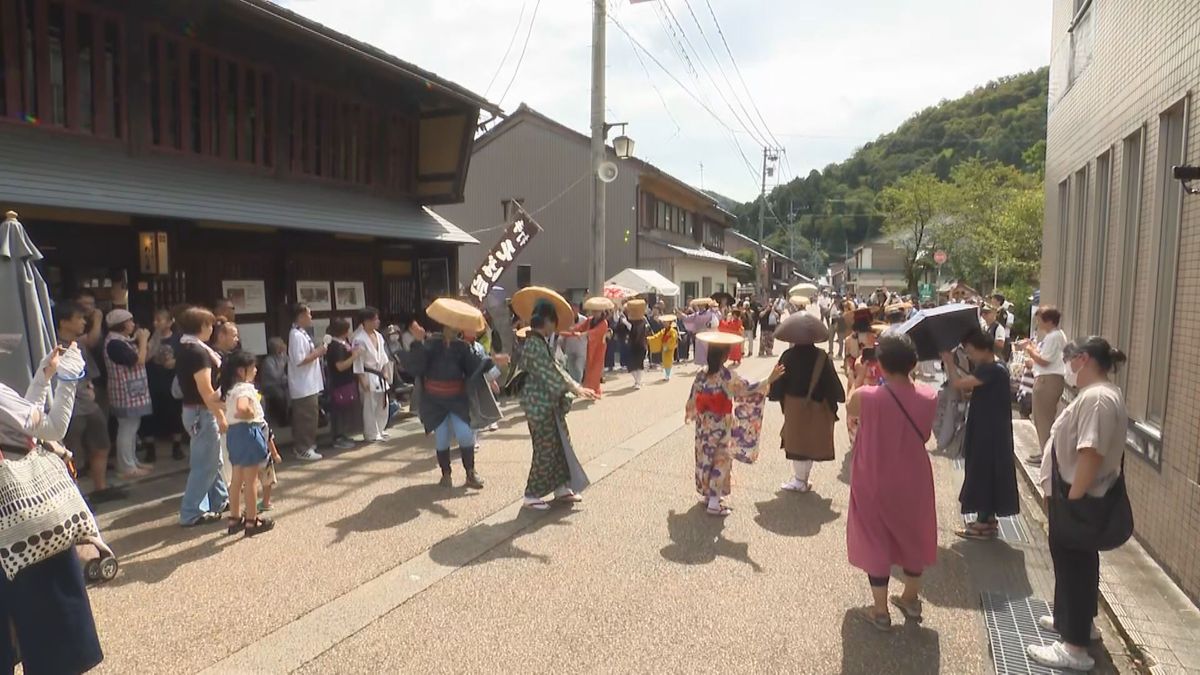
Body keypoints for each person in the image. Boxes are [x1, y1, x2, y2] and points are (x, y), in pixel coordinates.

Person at [0, 344, 106, 674]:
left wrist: (44, 377)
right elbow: (52, 428)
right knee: (50, 633)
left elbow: (25, 419)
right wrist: (69, 378)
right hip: (22, 521)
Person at [1027, 337, 1128, 672]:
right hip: (1080, 496)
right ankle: (1074, 621)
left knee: (1074, 567)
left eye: (1070, 360)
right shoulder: (1102, 395)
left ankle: (1074, 646)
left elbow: (1090, 452)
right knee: (1077, 567)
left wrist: (1072, 500)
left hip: (1079, 498)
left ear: (1083, 359)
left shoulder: (1098, 399)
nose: (1068, 367)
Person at [845, 333, 938, 630]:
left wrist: (860, 374)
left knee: (874, 537)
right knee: (913, 532)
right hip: (914, 476)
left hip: (873, 474)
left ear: (880, 364)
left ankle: (880, 609)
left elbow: (850, 406)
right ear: (913, 363)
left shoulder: (868, 396)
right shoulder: (929, 395)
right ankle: (910, 598)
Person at [403, 306, 508, 489]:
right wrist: (419, 343)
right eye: (448, 325)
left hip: (457, 397)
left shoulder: (463, 347)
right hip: (434, 399)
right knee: (442, 437)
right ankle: (446, 474)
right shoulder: (429, 344)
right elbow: (415, 367)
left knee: (465, 434)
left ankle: (470, 473)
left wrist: (493, 361)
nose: (451, 329)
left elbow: (475, 366)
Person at [685, 333, 784, 517]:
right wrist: (768, 380)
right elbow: (748, 388)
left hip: (703, 424)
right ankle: (714, 502)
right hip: (721, 425)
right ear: (724, 356)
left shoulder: (701, 374)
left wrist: (690, 412)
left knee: (704, 457)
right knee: (721, 460)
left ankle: (709, 495)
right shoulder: (728, 376)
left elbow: (693, 397)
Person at [517, 293, 597, 510]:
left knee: (561, 445)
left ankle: (562, 487)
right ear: (548, 321)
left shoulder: (540, 342)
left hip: (547, 405)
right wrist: (576, 388)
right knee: (545, 449)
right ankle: (531, 494)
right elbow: (552, 372)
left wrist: (576, 387)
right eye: (553, 321)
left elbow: (558, 369)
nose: (555, 326)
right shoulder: (534, 344)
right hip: (539, 407)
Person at [941, 332, 1020, 540]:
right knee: (989, 472)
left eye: (971, 350)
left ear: (984, 349)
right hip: (991, 428)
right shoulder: (996, 367)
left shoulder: (992, 369)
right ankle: (987, 518)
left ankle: (982, 522)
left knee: (983, 472)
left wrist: (949, 363)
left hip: (988, 430)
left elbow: (959, 384)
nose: (969, 355)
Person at [769, 316, 845, 493]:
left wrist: (774, 394)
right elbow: (833, 384)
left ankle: (799, 480)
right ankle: (803, 479)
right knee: (810, 442)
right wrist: (836, 399)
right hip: (817, 405)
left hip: (794, 406)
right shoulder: (821, 357)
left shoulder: (788, 356)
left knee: (797, 443)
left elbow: (778, 383)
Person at [175, 307, 229, 527]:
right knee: (204, 464)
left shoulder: (187, 347)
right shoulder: (198, 353)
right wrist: (220, 416)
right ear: (201, 327)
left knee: (213, 459)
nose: (212, 328)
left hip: (193, 410)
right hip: (202, 411)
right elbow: (206, 390)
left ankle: (220, 500)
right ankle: (191, 512)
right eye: (209, 324)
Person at [55, 302, 114, 497]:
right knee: (72, 453)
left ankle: (101, 488)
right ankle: (74, 495)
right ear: (64, 322)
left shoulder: (79, 344)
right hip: (68, 407)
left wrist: (90, 385)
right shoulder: (51, 345)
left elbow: (88, 370)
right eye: (78, 318)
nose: (83, 322)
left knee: (101, 444)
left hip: (89, 404)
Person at [221, 351, 279, 536]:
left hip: (234, 434)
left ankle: (234, 517)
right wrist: (248, 413)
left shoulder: (230, 389)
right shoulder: (245, 389)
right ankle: (252, 520)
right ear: (241, 370)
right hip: (248, 431)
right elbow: (242, 407)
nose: (255, 370)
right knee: (251, 480)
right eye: (252, 367)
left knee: (236, 479)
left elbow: (216, 399)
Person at [102, 309, 153, 480]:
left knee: (132, 428)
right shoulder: (115, 343)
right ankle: (126, 467)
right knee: (127, 429)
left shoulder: (122, 341)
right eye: (130, 321)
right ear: (122, 325)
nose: (133, 324)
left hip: (131, 391)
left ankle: (132, 461)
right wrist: (143, 340)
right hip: (124, 392)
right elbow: (138, 360)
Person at [1024, 307, 1067, 465]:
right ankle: (1045, 452)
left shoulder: (1053, 336)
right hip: (1048, 378)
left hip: (1047, 381)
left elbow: (1044, 360)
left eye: (1040, 319)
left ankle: (1047, 457)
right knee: (1042, 418)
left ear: (1048, 321)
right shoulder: (1054, 336)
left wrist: (1030, 351)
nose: (1038, 322)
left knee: (1043, 419)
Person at [143, 308, 185, 462]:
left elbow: (185, 357)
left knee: (175, 415)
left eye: (160, 320)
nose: (156, 323)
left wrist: (176, 362)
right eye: (155, 320)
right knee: (150, 416)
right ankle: (150, 449)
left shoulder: (179, 339)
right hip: (152, 381)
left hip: (172, 382)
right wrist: (155, 337)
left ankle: (177, 446)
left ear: (170, 322)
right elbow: (145, 358)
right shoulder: (149, 338)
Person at [288, 304, 326, 462]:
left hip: (309, 383)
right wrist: (318, 352)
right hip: (303, 385)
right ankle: (302, 448)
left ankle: (307, 444)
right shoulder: (296, 335)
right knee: (305, 417)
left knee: (311, 416)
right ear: (301, 316)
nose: (311, 317)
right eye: (309, 314)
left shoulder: (302, 333)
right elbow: (300, 360)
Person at [353, 307, 392, 443]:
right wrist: (362, 380)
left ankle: (380, 429)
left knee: (383, 403)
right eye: (375, 319)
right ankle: (371, 433)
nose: (378, 321)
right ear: (366, 321)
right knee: (369, 406)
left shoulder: (379, 335)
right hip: (367, 374)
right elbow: (357, 362)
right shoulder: (358, 339)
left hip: (379, 374)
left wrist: (385, 371)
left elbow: (384, 356)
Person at [325, 318, 362, 450]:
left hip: (346, 381)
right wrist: (354, 356)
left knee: (345, 409)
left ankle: (343, 434)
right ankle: (337, 437)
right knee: (338, 410)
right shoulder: (335, 346)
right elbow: (340, 366)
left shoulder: (343, 342)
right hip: (339, 382)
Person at [571, 307, 609, 396]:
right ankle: (592, 390)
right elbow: (581, 327)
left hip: (599, 348)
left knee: (596, 369)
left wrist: (583, 334)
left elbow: (595, 332)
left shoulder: (604, 323)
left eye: (597, 311)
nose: (595, 313)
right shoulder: (590, 320)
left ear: (601, 311)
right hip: (590, 346)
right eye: (593, 311)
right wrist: (572, 329)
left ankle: (594, 391)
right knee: (589, 368)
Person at [259, 337, 289, 429]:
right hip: (271, 385)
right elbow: (275, 376)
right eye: (281, 345)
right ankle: (282, 420)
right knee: (280, 395)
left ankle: (290, 417)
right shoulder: (269, 361)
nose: (284, 346)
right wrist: (285, 377)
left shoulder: (285, 357)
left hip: (283, 384)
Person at [625, 300, 649, 389]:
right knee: (631, 366)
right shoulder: (629, 319)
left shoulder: (642, 320)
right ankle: (637, 381)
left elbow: (636, 330)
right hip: (632, 346)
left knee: (639, 364)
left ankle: (638, 382)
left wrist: (628, 325)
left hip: (640, 345)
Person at [647, 315, 679, 381]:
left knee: (668, 361)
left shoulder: (673, 331)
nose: (664, 323)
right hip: (664, 347)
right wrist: (649, 339)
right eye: (664, 322)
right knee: (664, 361)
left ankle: (668, 375)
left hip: (669, 348)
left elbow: (673, 340)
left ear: (670, 323)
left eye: (666, 322)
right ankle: (666, 375)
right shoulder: (663, 331)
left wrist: (668, 346)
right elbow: (657, 336)